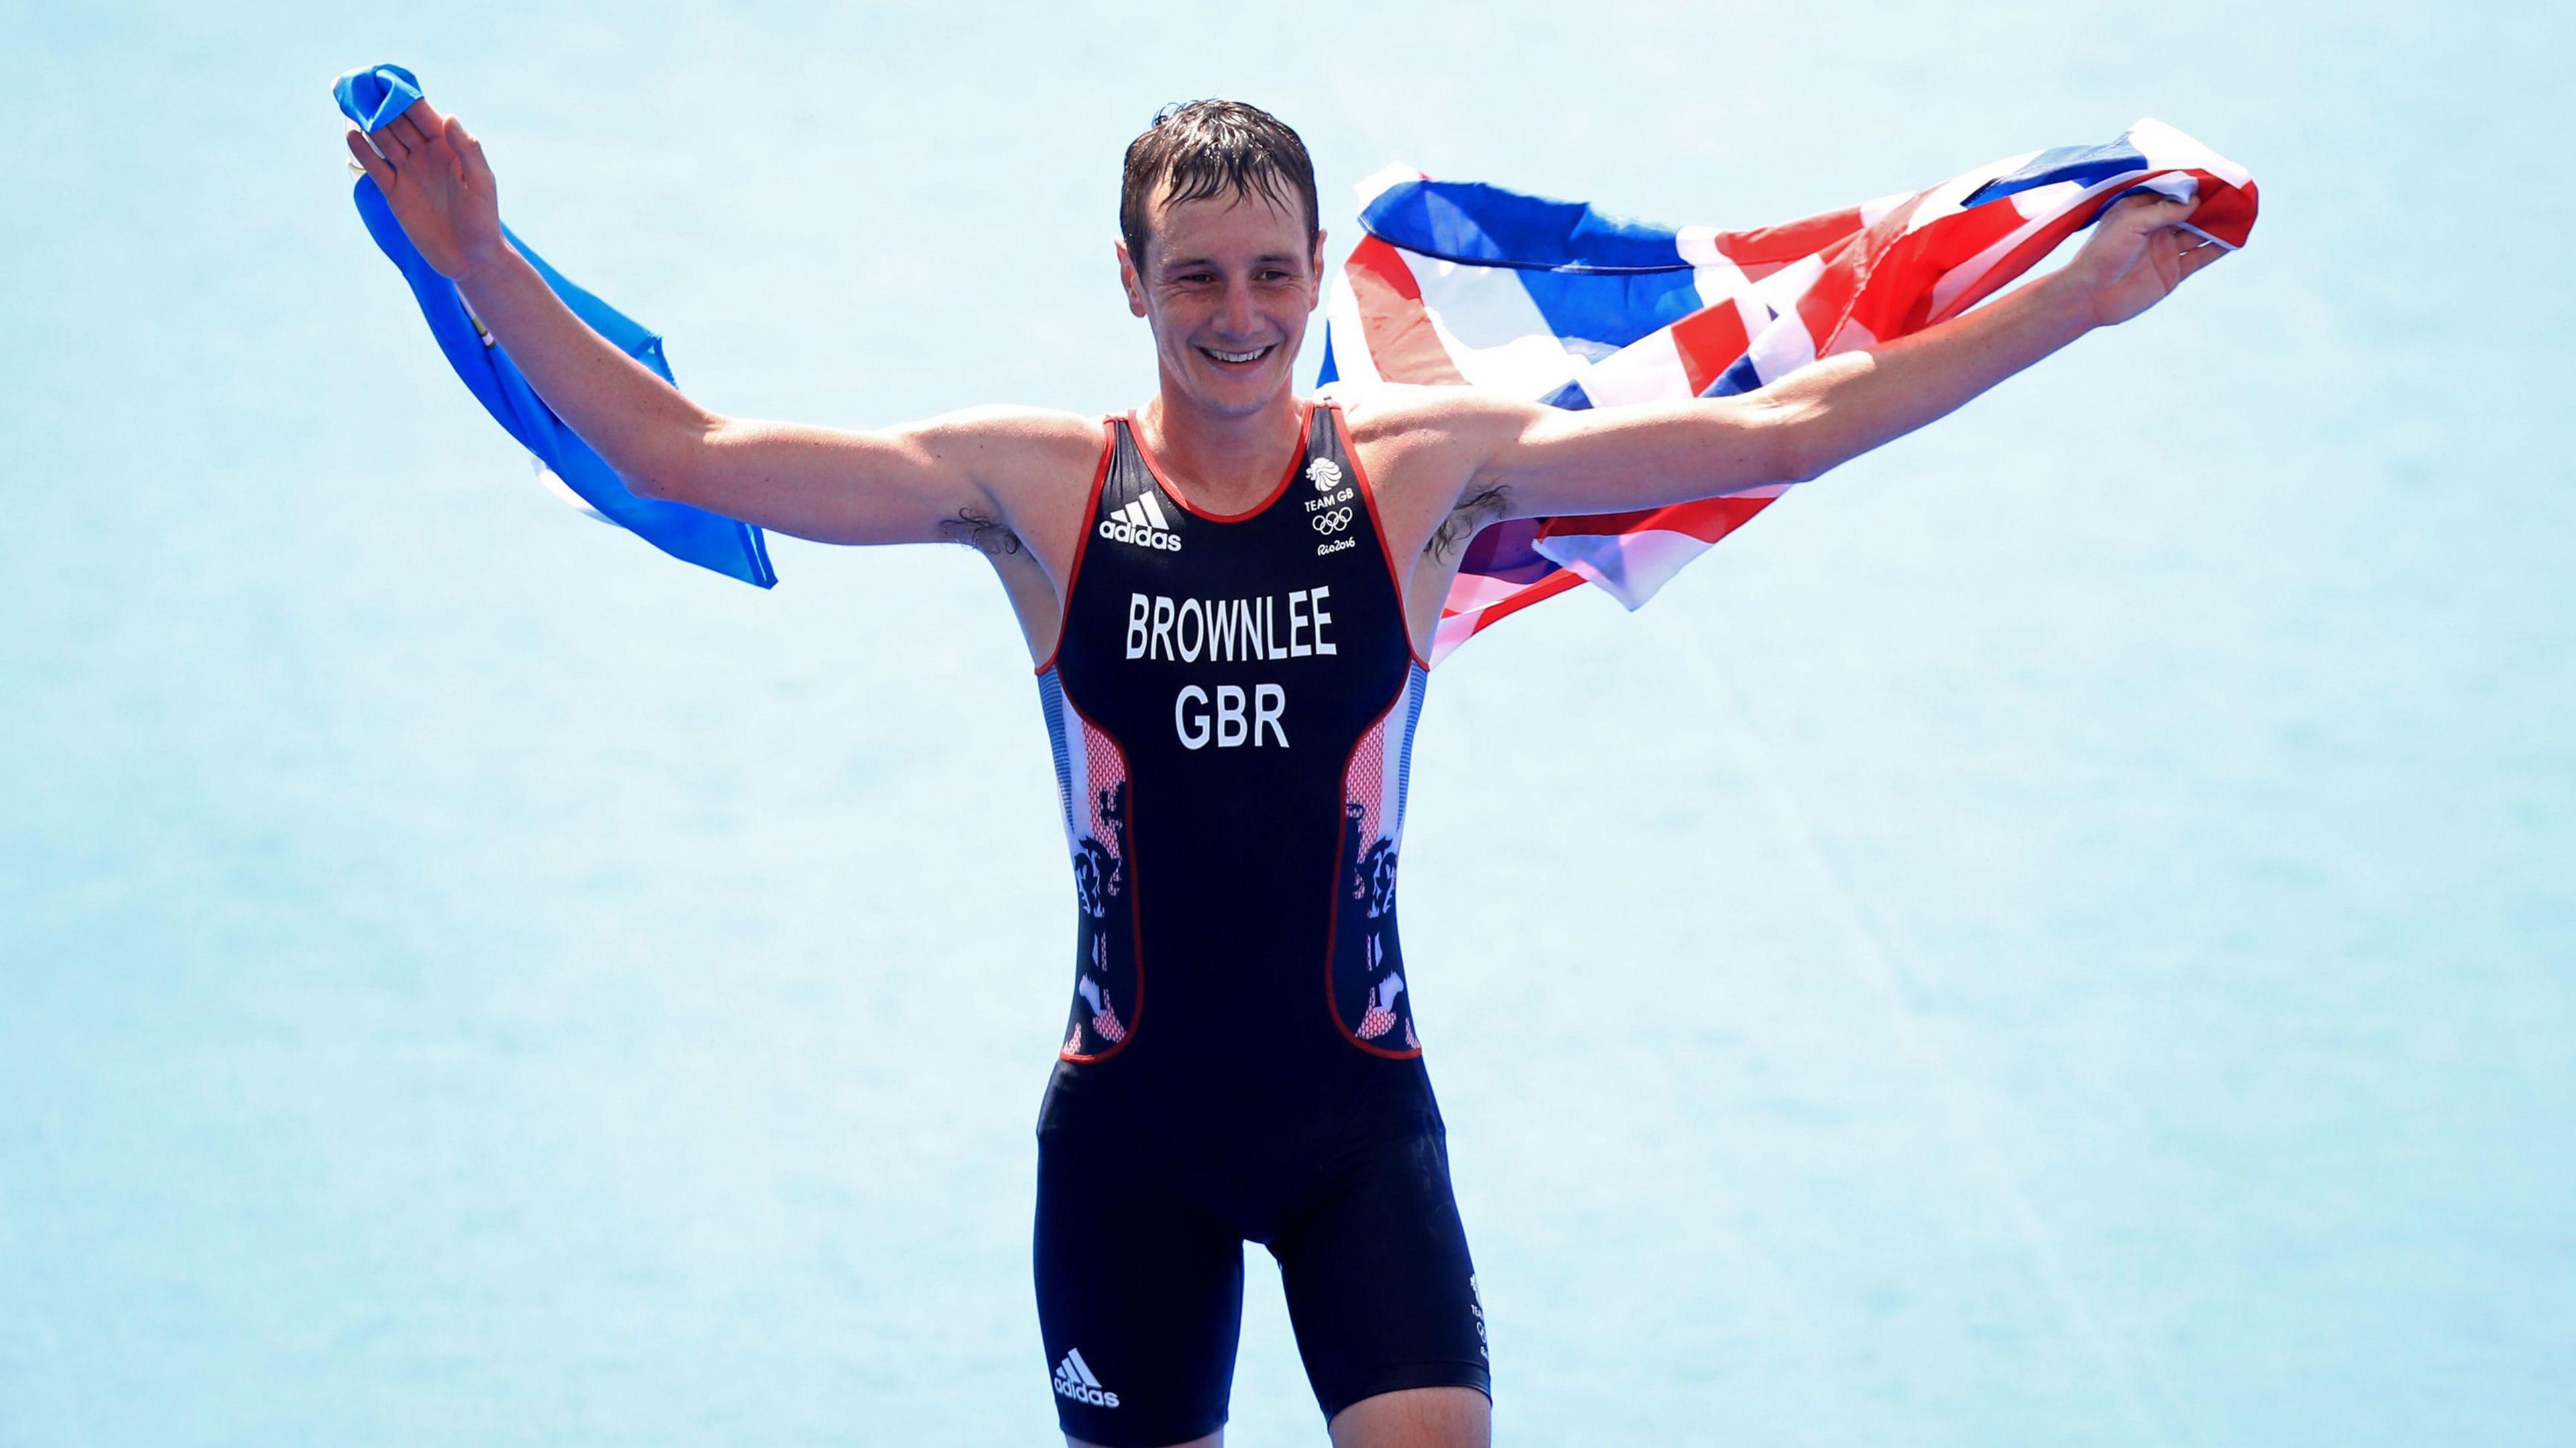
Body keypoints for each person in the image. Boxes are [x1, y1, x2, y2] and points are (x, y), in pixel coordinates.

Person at [343, 91, 2226, 1448]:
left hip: (1355, 1133)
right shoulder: (1037, 490)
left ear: (1317, 271)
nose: (1235, 317)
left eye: (1267, 276)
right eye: (1193, 280)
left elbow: (1792, 423)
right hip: (1127, 1148)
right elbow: (687, 448)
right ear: (1129, 278)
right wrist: (478, 255)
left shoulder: (1415, 471)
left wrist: (2065, 303)